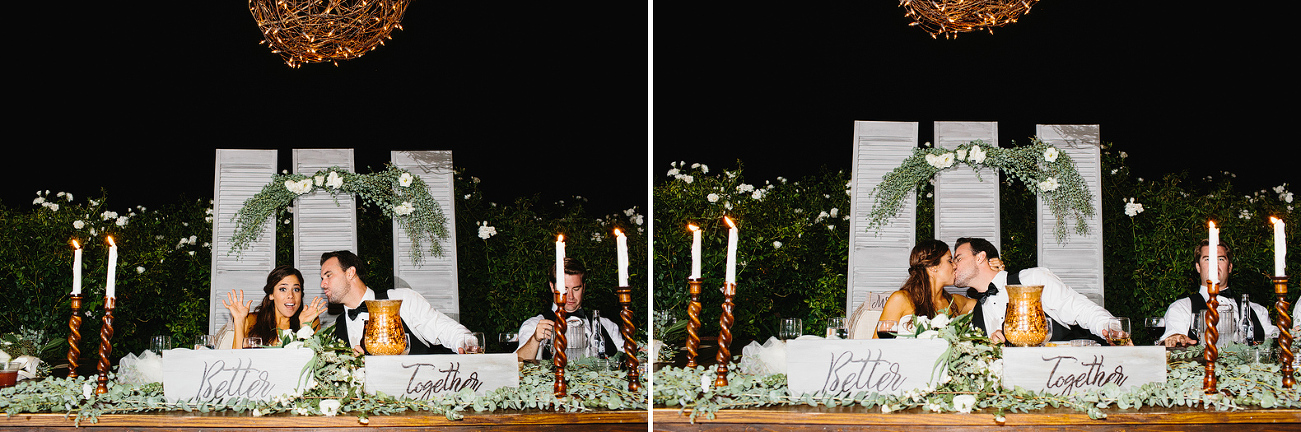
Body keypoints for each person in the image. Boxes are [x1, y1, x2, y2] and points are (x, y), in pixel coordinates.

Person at [952, 237, 1127, 344]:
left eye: (958, 258)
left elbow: (1081, 309)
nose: (954, 265)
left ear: (980, 257)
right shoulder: (976, 312)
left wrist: (1111, 330)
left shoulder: (1031, 279)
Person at [321, 250, 477, 354]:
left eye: (328, 275)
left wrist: (466, 345)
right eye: (322, 279)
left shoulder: (402, 299)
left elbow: (447, 330)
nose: (323, 284)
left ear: (350, 273)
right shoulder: (336, 329)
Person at [1157, 240, 1277, 347]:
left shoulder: (1257, 311)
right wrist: (1175, 338)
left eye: (1221, 259)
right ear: (1198, 267)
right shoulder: (1181, 308)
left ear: (1229, 267)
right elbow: (1170, 338)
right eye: (1207, 259)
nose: (1214, 264)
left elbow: (1276, 339)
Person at [515, 258, 624, 361]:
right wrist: (534, 340)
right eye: (564, 289)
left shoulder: (606, 325)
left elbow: (627, 358)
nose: (570, 296)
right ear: (552, 287)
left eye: (576, 289)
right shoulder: (534, 325)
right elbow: (515, 365)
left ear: (584, 288)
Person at [872, 240, 975, 337]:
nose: (955, 266)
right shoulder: (901, 299)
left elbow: (988, 302)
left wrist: (989, 268)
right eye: (949, 261)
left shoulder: (955, 302)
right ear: (932, 266)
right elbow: (877, 344)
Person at [221, 265, 326, 349]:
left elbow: (314, 362)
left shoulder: (310, 320)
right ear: (271, 294)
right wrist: (239, 320)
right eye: (283, 289)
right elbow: (237, 362)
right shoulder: (252, 320)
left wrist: (305, 326)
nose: (291, 295)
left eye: (296, 289)